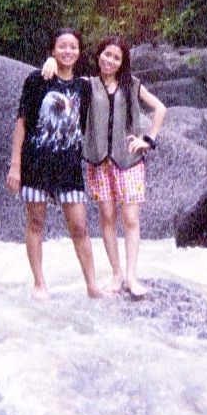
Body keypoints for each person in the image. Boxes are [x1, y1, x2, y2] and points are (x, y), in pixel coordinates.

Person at [44, 35, 166, 297]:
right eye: (106, 54)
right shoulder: (88, 85)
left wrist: (148, 139)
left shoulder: (132, 84)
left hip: (128, 161)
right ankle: (116, 274)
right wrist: (51, 62)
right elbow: (60, 87)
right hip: (99, 162)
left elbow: (160, 109)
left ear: (122, 62)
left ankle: (131, 276)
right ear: (98, 55)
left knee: (130, 218)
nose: (109, 60)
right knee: (107, 217)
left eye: (116, 57)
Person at [6, 28, 105, 300]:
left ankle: (92, 286)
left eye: (73, 47)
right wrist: (15, 166)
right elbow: (22, 123)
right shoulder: (37, 80)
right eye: (62, 46)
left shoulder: (84, 87)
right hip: (36, 163)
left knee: (80, 227)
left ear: (79, 52)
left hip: (69, 167)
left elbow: (112, 81)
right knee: (36, 223)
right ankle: (39, 283)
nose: (67, 51)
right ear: (52, 50)